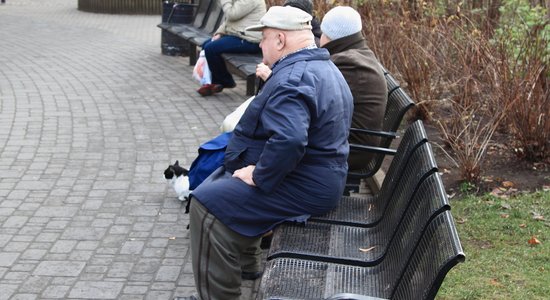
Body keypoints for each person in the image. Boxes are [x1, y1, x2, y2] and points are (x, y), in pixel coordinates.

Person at [174, 6, 353, 300]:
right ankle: (247, 265)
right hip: (320, 177)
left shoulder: (294, 79)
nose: (259, 44)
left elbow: (291, 139)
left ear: (280, 40)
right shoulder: (320, 66)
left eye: (264, 38)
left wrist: (259, 174)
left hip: (306, 183)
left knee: (205, 206)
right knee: (225, 182)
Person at [320, 6, 387, 171]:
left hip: (352, 151)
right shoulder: (357, 54)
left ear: (329, 36)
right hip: (351, 144)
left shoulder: (349, 64)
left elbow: (316, 97)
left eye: (322, 32)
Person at [197, 0, 266, 97]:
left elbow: (231, 14)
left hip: (250, 40)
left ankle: (224, 81)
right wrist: (220, 32)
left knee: (211, 48)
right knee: (206, 45)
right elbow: (230, 21)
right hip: (238, 35)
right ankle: (212, 81)